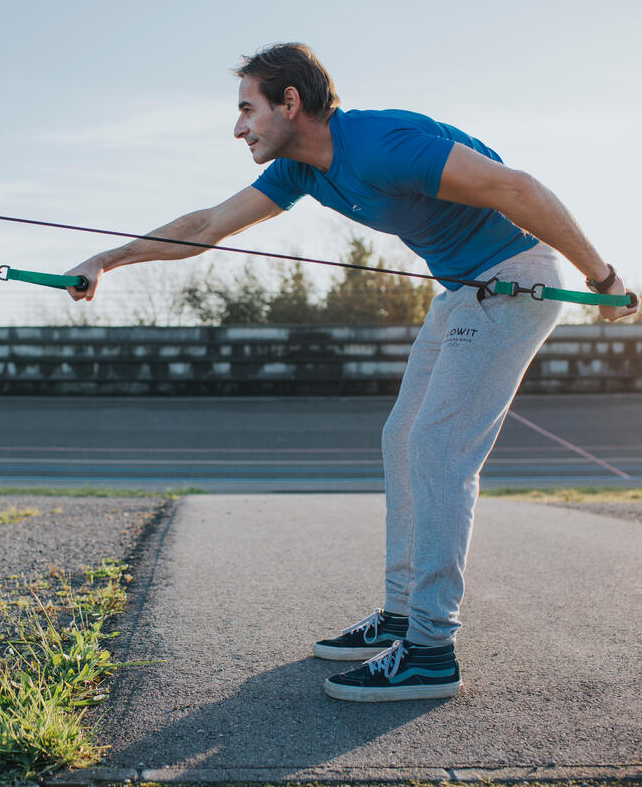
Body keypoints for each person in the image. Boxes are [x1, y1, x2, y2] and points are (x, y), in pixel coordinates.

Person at [65, 43, 637, 702]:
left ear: (291, 103)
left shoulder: (377, 144)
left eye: (247, 109)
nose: (238, 127)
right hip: (460, 289)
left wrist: (604, 278)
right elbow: (206, 225)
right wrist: (106, 260)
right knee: (402, 439)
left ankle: (429, 650)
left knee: (438, 450)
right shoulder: (301, 171)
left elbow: (518, 189)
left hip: (516, 279)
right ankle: (400, 615)